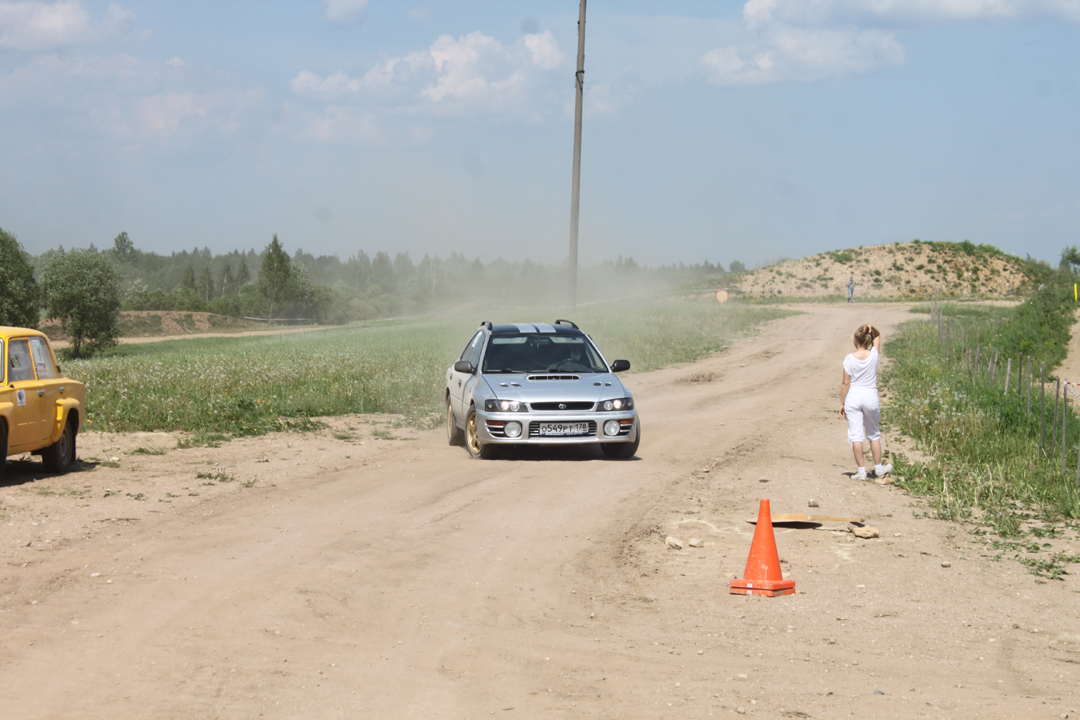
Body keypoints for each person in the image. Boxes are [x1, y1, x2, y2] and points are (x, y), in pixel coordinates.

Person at [839, 323, 891, 480]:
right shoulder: (874, 354)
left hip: (854, 396)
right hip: (870, 395)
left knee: (856, 435)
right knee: (873, 433)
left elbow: (845, 383)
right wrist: (872, 327)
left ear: (855, 339)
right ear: (869, 340)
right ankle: (878, 468)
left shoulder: (849, 359)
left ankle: (861, 471)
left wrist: (842, 402)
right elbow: (878, 335)